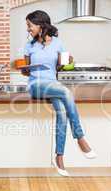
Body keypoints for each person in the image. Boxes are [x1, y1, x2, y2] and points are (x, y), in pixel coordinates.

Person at [23, 10, 97, 176]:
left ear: (41, 25)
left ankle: (59, 157)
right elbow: (26, 72)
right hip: (36, 85)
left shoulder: (57, 43)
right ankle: (80, 138)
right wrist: (23, 68)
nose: (28, 29)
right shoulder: (29, 46)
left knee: (62, 113)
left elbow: (57, 68)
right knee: (65, 91)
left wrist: (67, 62)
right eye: (27, 25)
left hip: (52, 84)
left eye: (30, 25)